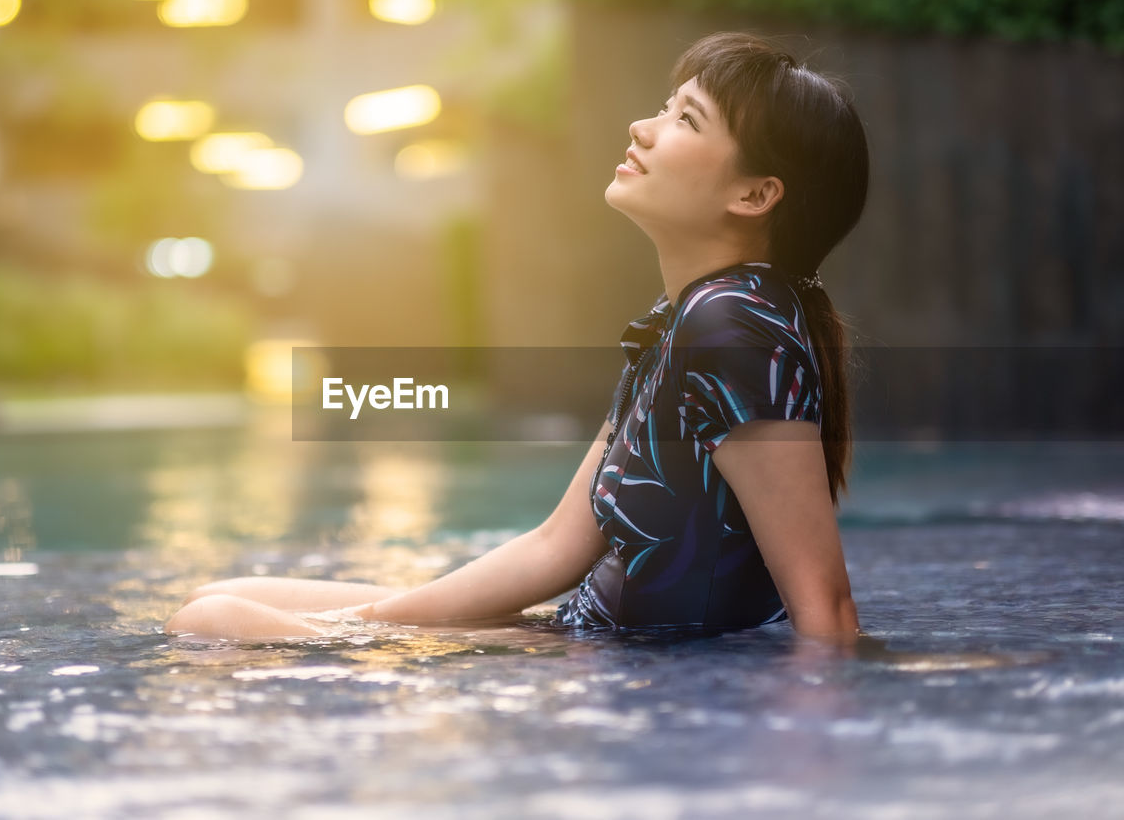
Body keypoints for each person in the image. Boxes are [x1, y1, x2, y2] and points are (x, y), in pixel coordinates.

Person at [165, 32, 869, 645]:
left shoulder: (734, 327)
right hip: (583, 634)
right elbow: (553, 547)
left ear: (754, 195)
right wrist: (376, 622)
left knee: (212, 621)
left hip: (621, 667)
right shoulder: (684, 321)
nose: (643, 128)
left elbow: (825, 608)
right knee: (217, 596)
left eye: (685, 118)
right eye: (664, 105)